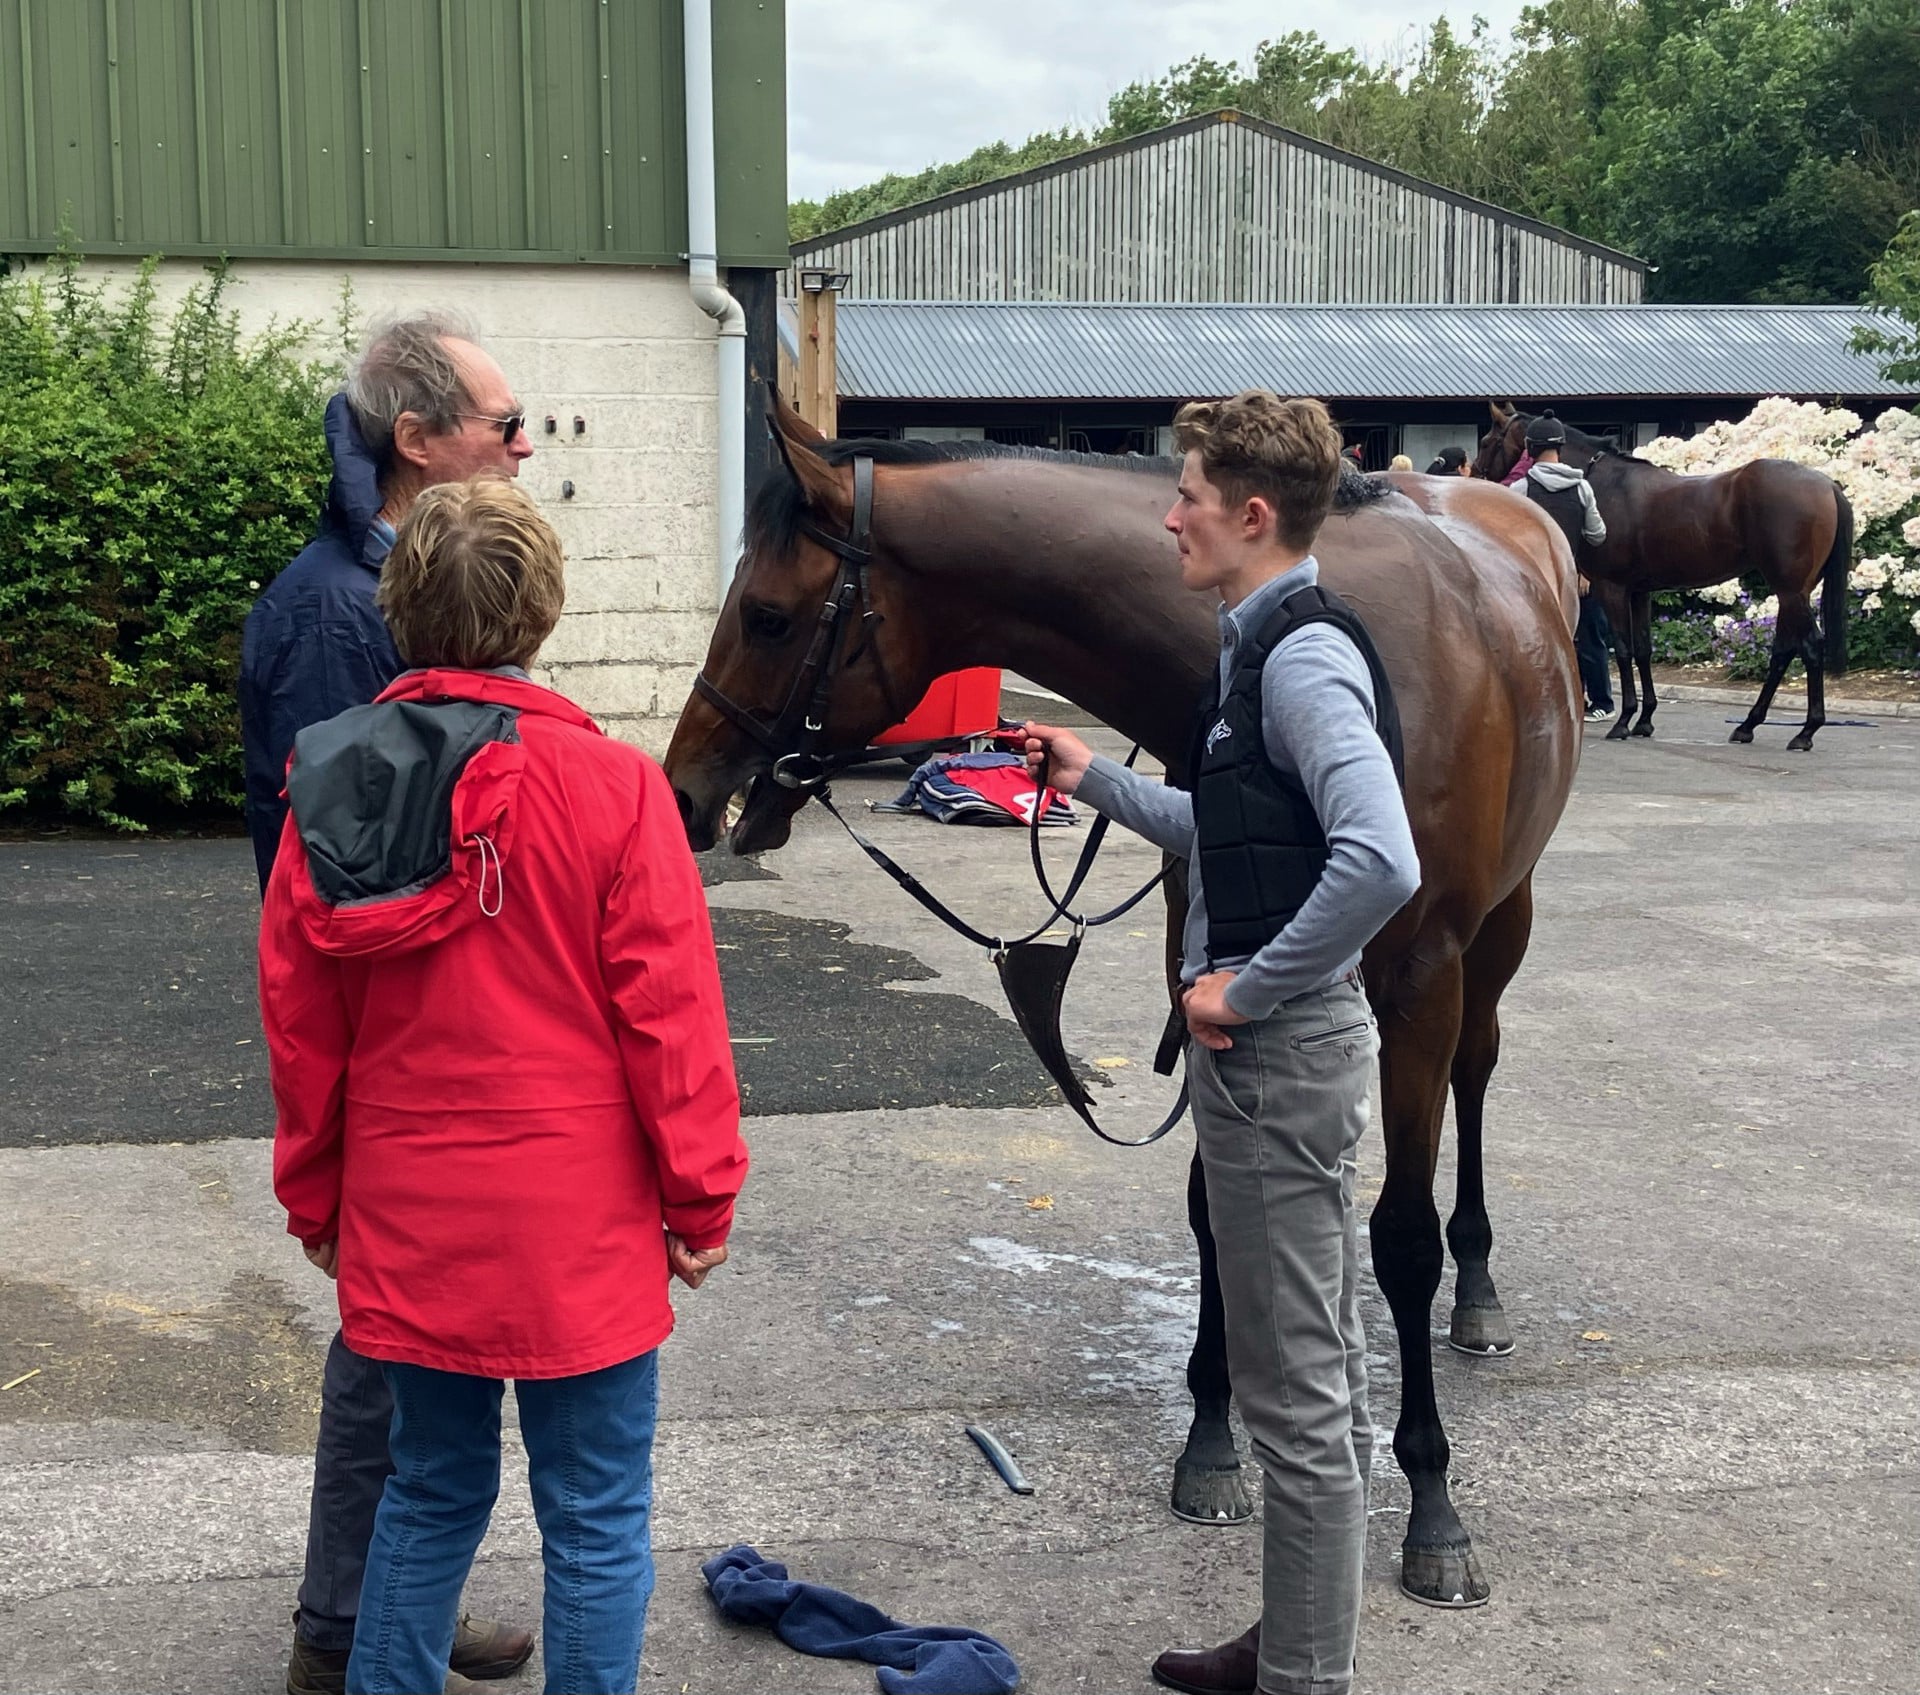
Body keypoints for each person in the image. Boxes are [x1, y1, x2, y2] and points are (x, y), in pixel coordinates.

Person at [261, 476, 748, 1695]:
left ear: (397, 610)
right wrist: (701, 1197)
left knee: (426, 1495)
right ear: (542, 608)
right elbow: (672, 1018)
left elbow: (302, 1026)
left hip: (411, 1200)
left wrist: (316, 1198)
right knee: (594, 1513)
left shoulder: (328, 783)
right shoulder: (618, 788)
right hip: (578, 1210)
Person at [1023, 391, 1420, 1695]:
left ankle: (1305, 1672)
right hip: (1282, 1064)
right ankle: (1298, 1639)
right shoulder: (1268, 645)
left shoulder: (1299, 659)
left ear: (1253, 515)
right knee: (1302, 1372)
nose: (1170, 511)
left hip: (1281, 1061)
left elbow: (1380, 857)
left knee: (1298, 1396)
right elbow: (1247, 828)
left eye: (1188, 491)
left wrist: (1246, 995)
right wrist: (1097, 782)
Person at [239, 313, 537, 1695]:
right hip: (387, 1051)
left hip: (443, 1048)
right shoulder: (335, 613)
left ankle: (389, 1606)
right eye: (500, 420)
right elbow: (324, 889)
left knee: (425, 1343)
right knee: (386, 1349)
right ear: (419, 440)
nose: (523, 442)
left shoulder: (407, 588)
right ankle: (340, 1631)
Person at [1519, 411, 1614, 719]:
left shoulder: (1520, 491)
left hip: (1536, 582)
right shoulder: (1582, 487)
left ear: (1531, 448)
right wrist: (1581, 570)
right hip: (1575, 579)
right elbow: (1597, 535)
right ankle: (1601, 703)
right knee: (1590, 641)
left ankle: (1545, 703)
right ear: (1560, 447)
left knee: (1537, 642)